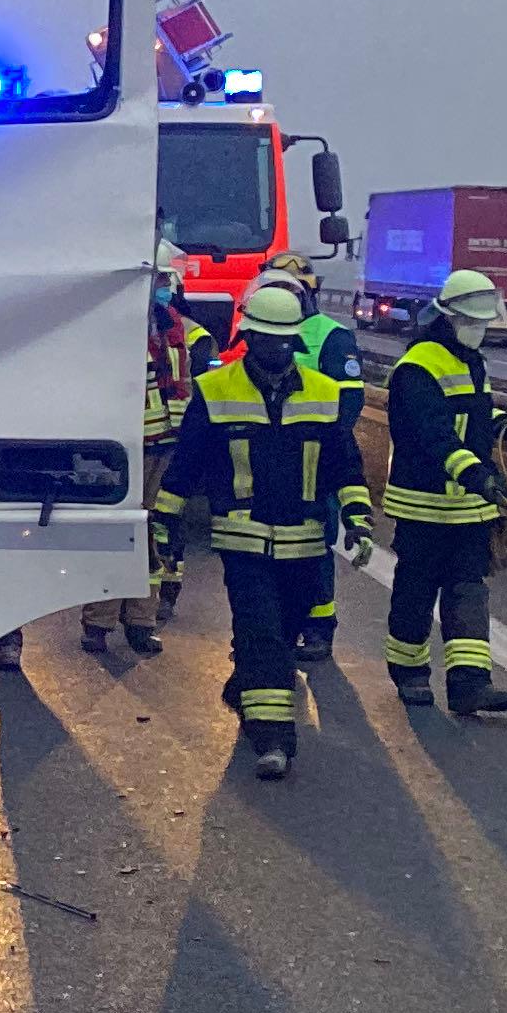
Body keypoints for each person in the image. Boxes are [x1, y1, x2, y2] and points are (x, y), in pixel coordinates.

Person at [167, 273, 366, 780]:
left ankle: (246, 685)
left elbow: (343, 460)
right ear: (249, 339)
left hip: (304, 540)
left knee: (287, 628)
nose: (277, 349)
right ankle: (274, 740)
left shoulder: (323, 393)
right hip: (243, 539)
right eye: (267, 339)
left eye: (285, 341)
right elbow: (187, 462)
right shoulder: (215, 389)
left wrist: (357, 517)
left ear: (295, 341)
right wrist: (164, 522)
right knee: (261, 633)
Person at [380, 268, 507, 717]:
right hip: (423, 504)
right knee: (416, 590)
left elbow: (472, 413)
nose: (479, 331)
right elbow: (434, 434)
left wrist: (500, 425)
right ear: (447, 317)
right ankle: (410, 674)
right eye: (472, 322)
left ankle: (469, 684)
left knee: (468, 591)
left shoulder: (471, 360)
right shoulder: (417, 367)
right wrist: (477, 474)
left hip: (469, 510)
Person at [79, 233, 204, 660]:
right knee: (114, 531)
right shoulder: (110, 326)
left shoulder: (170, 326)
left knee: (153, 531)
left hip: (163, 445)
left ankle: (141, 621)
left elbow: (179, 385)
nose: (163, 287)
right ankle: (98, 622)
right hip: (118, 448)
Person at [279, 260, 363, 659]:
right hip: (272, 460)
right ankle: (274, 627)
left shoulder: (332, 337)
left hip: (316, 461)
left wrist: (328, 453)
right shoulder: (265, 327)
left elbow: (348, 403)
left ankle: (318, 628)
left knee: (315, 544)